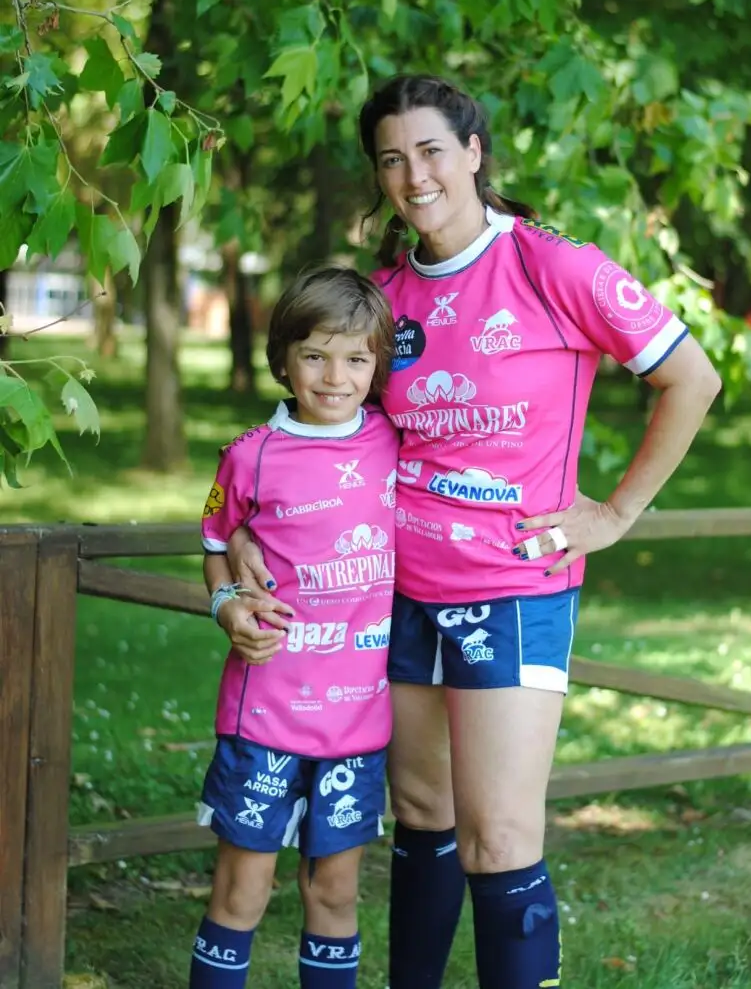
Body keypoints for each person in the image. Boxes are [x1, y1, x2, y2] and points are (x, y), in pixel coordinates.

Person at [220, 75, 722, 989]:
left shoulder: (552, 265)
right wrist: (246, 538)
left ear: (474, 152)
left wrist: (614, 513)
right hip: (399, 592)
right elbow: (317, 425)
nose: (413, 176)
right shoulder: (382, 297)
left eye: (431, 151)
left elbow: (692, 378)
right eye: (391, 159)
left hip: (512, 591)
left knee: (499, 835)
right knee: (422, 813)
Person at [189, 266, 399, 989]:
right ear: (283, 358)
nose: (335, 376)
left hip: (358, 726)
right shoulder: (249, 454)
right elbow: (218, 546)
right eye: (314, 354)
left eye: (355, 357)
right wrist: (227, 607)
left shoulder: (394, 439)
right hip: (266, 716)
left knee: (335, 896)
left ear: (377, 364)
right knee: (241, 894)